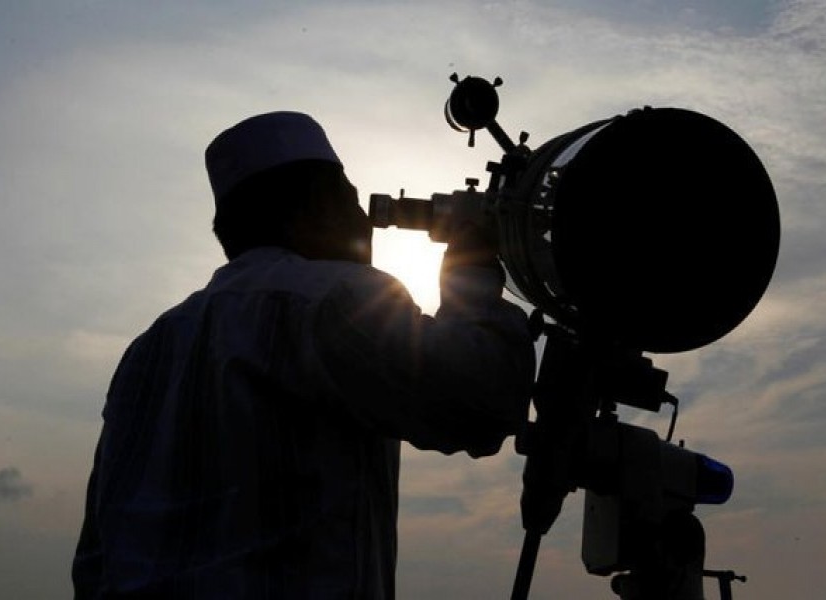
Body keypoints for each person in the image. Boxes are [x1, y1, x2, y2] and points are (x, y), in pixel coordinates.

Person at [72, 111, 536, 599]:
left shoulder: (149, 349)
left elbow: (96, 555)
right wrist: (472, 267)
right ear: (316, 208)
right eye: (353, 204)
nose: (367, 224)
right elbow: (481, 397)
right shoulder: (334, 299)